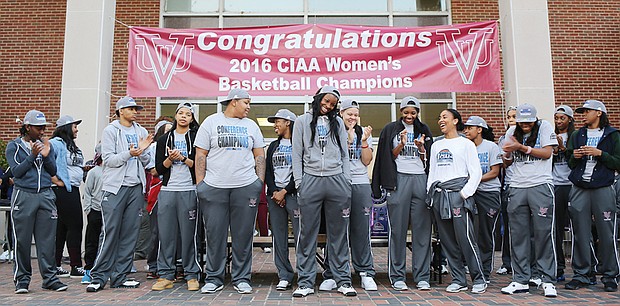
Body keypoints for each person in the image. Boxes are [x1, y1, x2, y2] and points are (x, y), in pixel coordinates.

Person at [194, 88, 265, 294]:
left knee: (243, 236)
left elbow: (259, 155)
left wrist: (258, 182)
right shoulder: (211, 122)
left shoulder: (251, 125)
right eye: (246, 102)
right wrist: (201, 184)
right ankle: (214, 278)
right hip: (214, 188)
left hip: (245, 187)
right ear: (234, 102)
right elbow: (201, 154)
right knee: (215, 235)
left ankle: (242, 278)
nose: (249, 107)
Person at [291, 86, 355, 298]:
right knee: (307, 234)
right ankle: (306, 282)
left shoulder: (337, 122)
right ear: (318, 99)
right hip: (310, 180)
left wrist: (346, 181)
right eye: (325, 101)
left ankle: (343, 280)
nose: (328, 106)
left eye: (333, 104)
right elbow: (296, 154)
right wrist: (300, 183)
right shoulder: (301, 121)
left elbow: (345, 155)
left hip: (336, 180)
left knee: (338, 234)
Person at [86, 96, 154, 292]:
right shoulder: (110, 131)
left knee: (130, 233)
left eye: (135, 109)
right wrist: (130, 153)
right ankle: (98, 276)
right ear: (121, 111)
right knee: (110, 232)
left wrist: (142, 152)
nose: (135, 112)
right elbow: (109, 160)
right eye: (131, 109)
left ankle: (120, 276)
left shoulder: (140, 130)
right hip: (115, 187)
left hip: (135, 187)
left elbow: (147, 161)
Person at [371, 96, 433, 291]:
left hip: (420, 180)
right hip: (398, 180)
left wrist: (421, 148)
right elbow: (384, 156)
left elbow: (429, 158)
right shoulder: (391, 129)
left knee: (422, 232)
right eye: (406, 112)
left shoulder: (424, 130)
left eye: (413, 112)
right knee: (397, 231)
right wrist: (401, 143)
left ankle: (422, 276)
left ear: (417, 113)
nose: (409, 116)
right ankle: (397, 276)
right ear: (401, 112)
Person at [6, 110, 68, 293]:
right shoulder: (14, 146)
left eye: (44, 128)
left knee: (47, 240)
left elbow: (53, 170)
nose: (42, 131)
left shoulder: (46, 145)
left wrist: (47, 154)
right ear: (27, 127)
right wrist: (33, 155)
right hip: (24, 194)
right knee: (22, 240)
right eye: (39, 128)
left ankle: (49, 278)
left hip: (46, 194)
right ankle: (22, 280)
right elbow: (17, 172)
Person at [500, 103, 558, 297]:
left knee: (543, 233)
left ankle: (547, 279)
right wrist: (508, 154)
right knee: (517, 235)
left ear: (535, 119)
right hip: (517, 186)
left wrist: (522, 147)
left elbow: (547, 153)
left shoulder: (545, 127)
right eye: (521, 121)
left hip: (540, 184)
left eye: (528, 121)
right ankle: (520, 279)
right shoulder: (511, 130)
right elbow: (507, 162)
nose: (525, 125)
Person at [426, 109, 486, 294]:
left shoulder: (466, 144)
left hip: (458, 195)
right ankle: (458, 279)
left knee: (465, 238)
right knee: (447, 240)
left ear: (455, 121)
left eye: (445, 117)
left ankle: (478, 279)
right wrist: (431, 194)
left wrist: (464, 193)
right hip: (440, 195)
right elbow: (432, 171)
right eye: (440, 117)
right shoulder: (436, 145)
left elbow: (476, 172)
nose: (441, 120)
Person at [320, 99, 377, 292]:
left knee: (361, 230)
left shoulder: (363, 132)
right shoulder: (332, 130)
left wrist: (362, 142)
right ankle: (332, 273)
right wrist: (348, 137)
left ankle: (365, 272)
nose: (352, 117)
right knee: (336, 231)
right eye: (349, 114)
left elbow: (367, 160)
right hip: (337, 184)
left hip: (360, 183)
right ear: (341, 113)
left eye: (355, 114)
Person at [565, 100, 620, 292]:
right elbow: (570, 162)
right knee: (580, 232)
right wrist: (576, 156)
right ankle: (582, 274)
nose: (584, 115)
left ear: (598, 113)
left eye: (587, 111)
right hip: (580, 186)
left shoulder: (613, 135)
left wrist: (599, 153)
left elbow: (617, 162)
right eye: (583, 112)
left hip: (603, 187)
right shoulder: (577, 134)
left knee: (607, 232)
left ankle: (610, 275)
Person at [151, 102, 201, 291]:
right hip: (168, 190)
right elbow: (156, 170)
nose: (183, 117)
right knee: (166, 234)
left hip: (189, 189)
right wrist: (169, 159)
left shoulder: (196, 138)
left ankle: (191, 274)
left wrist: (183, 159)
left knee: (189, 235)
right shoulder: (164, 139)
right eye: (181, 113)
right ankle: (165, 275)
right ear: (175, 116)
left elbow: (200, 165)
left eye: (188, 114)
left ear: (192, 119)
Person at [463, 116, 501, 282]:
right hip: (471, 193)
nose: (466, 131)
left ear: (479, 129)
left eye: (470, 128)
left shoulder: (491, 147)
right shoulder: (465, 147)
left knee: (486, 233)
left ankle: (485, 270)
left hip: (489, 193)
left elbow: (494, 172)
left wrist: (474, 180)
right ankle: (472, 267)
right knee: (469, 231)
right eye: (465, 128)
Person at [265, 109, 298, 291]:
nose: (275, 125)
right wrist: (276, 192)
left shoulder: (298, 144)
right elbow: (268, 172)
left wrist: (285, 191)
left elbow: (301, 171)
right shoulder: (272, 146)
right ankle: (284, 275)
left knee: (301, 236)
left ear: (288, 122)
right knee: (279, 237)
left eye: (278, 121)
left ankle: (304, 273)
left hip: (293, 195)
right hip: (275, 197)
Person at [49, 115, 85, 279]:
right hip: (62, 190)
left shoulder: (70, 145)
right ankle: (76, 266)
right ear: (66, 127)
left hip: (72, 188)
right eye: (74, 126)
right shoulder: (55, 144)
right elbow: (44, 163)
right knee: (76, 225)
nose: (77, 129)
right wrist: (56, 180)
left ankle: (55, 265)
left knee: (62, 228)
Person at [551, 105, 575, 282]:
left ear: (570, 119)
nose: (559, 121)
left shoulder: (576, 136)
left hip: (573, 184)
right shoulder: (549, 136)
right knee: (556, 228)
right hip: (555, 184)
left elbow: (574, 161)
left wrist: (563, 148)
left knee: (578, 228)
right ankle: (559, 267)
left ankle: (583, 268)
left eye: (562, 118)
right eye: (557, 118)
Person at [496, 106, 517, 275]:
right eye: (509, 116)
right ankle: (507, 262)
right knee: (507, 226)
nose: (511, 119)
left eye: (514, 116)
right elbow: (503, 163)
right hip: (508, 185)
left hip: (524, 184)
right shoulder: (504, 137)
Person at [81, 143, 103, 284]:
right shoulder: (94, 172)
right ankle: (89, 269)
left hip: (110, 212)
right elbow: (87, 192)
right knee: (92, 241)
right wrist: (88, 209)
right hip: (95, 210)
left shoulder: (116, 171)